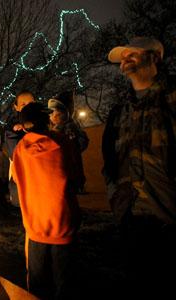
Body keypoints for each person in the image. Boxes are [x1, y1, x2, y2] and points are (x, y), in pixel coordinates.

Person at [103, 37, 176, 297]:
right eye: (123, 57)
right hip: (130, 220)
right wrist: (114, 194)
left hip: (168, 220)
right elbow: (109, 160)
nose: (125, 59)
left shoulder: (170, 101)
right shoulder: (119, 112)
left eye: (132, 54)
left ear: (154, 58)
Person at [12, 102, 81, 299]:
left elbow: (17, 178)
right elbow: (74, 174)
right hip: (63, 224)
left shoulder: (20, 150)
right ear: (46, 121)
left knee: (37, 285)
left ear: (24, 125)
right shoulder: (63, 143)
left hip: (35, 226)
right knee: (65, 283)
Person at [48, 91, 89, 193]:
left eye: (57, 112)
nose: (53, 115)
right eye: (51, 112)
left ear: (66, 113)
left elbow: (79, 145)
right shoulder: (53, 129)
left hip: (69, 175)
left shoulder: (69, 128)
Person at [4, 90, 36, 207]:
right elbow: (14, 153)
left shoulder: (47, 122)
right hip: (23, 180)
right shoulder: (12, 129)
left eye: (31, 103)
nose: (28, 107)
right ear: (16, 107)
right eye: (23, 104)